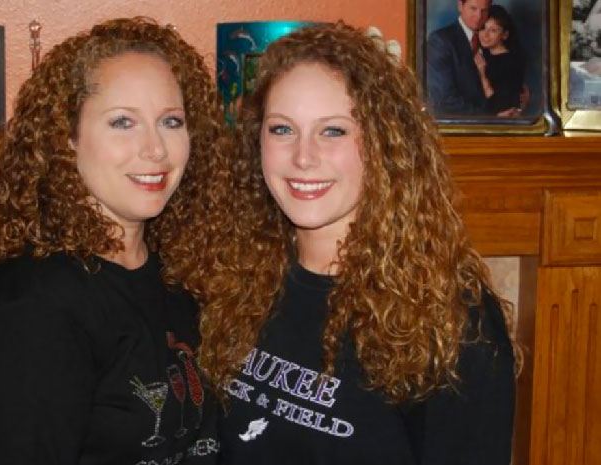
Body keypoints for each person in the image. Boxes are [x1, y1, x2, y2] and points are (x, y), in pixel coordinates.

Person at [197, 22, 517, 464]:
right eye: (282, 129)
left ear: (384, 143)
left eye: (333, 131)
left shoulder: (452, 316)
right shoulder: (235, 276)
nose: (303, 157)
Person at [0, 17, 225, 465]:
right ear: (67, 138)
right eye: (123, 122)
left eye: (171, 121)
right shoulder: (30, 310)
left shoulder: (180, 272)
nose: (156, 149)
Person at [426, 0, 491, 115]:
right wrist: (492, 116)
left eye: (484, 10)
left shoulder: (490, 39)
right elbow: (445, 101)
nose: (479, 16)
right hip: (462, 123)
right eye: (473, 9)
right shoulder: (440, 41)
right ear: (460, 6)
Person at [474, 5, 526, 116]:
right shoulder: (484, 55)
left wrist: (482, 75)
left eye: (493, 30)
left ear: (504, 35)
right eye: (483, 28)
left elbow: (499, 106)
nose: (485, 35)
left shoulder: (511, 62)